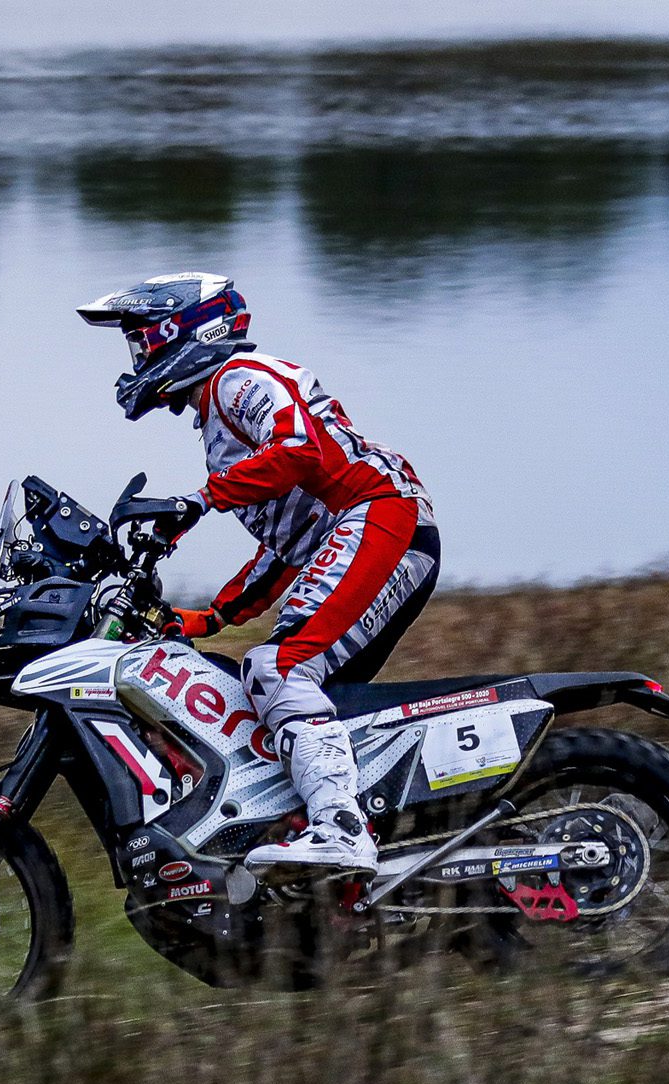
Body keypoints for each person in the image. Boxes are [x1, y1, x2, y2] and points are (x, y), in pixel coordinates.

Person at [78, 272, 439, 879]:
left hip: (381, 515)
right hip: (359, 528)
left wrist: (198, 501)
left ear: (184, 330)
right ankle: (361, 842)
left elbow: (300, 450)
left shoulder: (238, 379)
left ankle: (341, 833)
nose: (136, 358)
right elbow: (289, 542)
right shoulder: (218, 423)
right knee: (272, 691)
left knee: (281, 668)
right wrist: (210, 617)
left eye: (141, 341)